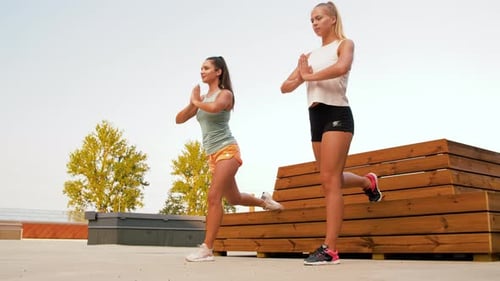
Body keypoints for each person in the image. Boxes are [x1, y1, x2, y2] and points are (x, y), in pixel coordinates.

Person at [280, 2, 382, 265]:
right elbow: (285, 86)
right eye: (311, 19)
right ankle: (367, 183)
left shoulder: (344, 44)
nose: (314, 23)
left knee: (330, 181)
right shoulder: (310, 55)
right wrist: (302, 75)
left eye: (319, 18)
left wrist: (308, 77)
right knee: (329, 178)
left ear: (332, 19)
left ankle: (330, 249)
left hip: (337, 113)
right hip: (316, 117)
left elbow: (341, 68)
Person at [176, 56, 284, 262]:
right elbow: (179, 119)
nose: (202, 71)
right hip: (212, 155)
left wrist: (197, 101)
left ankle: (206, 248)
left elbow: (216, 107)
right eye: (201, 68)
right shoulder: (201, 100)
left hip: (227, 150)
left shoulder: (225, 94)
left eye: (206, 68)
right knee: (233, 198)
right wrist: (193, 102)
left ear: (218, 72)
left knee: (213, 196)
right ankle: (265, 202)